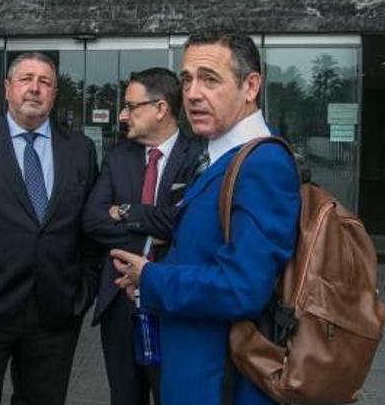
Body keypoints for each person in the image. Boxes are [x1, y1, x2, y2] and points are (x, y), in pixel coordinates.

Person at [111, 33, 300, 405]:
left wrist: (151, 278)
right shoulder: (218, 154)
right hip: (193, 372)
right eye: (186, 79)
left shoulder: (263, 164)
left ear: (250, 86)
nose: (193, 93)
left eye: (209, 79)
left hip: (222, 384)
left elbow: (243, 287)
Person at [0, 52, 101, 405]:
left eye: (45, 82)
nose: (34, 89)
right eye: (25, 79)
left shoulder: (80, 149)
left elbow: (87, 228)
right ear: (7, 88)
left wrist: (83, 290)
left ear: (55, 92)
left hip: (55, 312)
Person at [82, 67, 203, 405]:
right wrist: (152, 233)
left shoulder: (198, 157)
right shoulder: (118, 156)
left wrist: (127, 210)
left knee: (172, 395)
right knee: (124, 397)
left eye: (132, 106)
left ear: (160, 108)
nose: (123, 115)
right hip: (119, 298)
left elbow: (183, 223)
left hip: (171, 301)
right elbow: (92, 219)